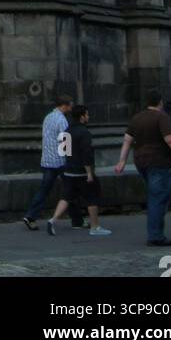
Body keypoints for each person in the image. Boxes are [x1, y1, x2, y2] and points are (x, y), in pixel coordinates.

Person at [114, 90, 171, 246]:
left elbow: (127, 140)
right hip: (159, 162)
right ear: (160, 102)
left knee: (157, 196)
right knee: (158, 198)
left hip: (141, 162)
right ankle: (155, 235)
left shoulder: (137, 118)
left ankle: (155, 229)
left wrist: (122, 160)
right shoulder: (162, 117)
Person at [46, 105, 112, 236]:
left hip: (69, 169)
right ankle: (95, 227)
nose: (88, 117)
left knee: (66, 197)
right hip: (81, 171)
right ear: (82, 117)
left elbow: (63, 151)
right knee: (91, 197)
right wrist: (89, 173)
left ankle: (52, 220)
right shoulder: (84, 133)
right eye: (87, 115)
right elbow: (86, 154)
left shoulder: (66, 131)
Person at [22, 95, 81, 230]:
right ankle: (77, 220)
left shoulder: (48, 117)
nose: (71, 108)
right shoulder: (62, 120)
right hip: (60, 161)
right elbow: (64, 143)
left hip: (47, 160)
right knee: (71, 190)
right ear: (64, 106)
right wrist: (71, 158)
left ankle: (31, 215)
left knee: (44, 190)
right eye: (70, 105)